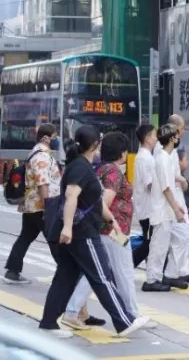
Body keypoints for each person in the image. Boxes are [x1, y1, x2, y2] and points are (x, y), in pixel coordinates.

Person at [38, 127, 150, 339]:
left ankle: (49, 322)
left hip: (79, 231)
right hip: (82, 233)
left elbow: (95, 201)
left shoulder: (85, 166)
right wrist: (68, 227)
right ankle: (124, 322)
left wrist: (112, 221)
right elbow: (71, 196)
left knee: (65, 277)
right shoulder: (81, 167)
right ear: (95, 145)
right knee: (102, 277)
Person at [4, 123, 61, 284]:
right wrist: (48, 207)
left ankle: (12, 271)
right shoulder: (41, 156)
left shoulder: (37, 152)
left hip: (32, 205)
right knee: (54, 239)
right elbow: (43, 183)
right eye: (55, 137)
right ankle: (67, 272)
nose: (57, 140)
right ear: (46, 138)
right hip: (40, 206)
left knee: (26, 237)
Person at [143, 124, 188, 292]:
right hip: (161, 210)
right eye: (176, 136)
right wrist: (176, 208)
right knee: (158, 246)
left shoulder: (166, 158)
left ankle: (158, 277)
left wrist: (176, 206)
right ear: (171, 139)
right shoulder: (162, 159)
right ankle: (152, 279)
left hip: (165, 210)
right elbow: (166, 188)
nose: (178, 138)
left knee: (163, 245)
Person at [163, 115, 189, 286]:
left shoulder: (172, 149)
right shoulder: (165, 151)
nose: (184, 131)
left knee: (183, 235)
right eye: (183, 127)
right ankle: (172, 273)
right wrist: (181, 180)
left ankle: (180, 270)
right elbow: (167, 177)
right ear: (175, 128)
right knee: (181, 235)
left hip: (176, 197)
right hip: (171, 200)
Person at [130, 124, 157, 268]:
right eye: (154, 135)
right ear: (147, 138)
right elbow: (150, 184)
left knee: (152, 242)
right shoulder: (145, 158)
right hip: (147, 209)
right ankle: (129, 265)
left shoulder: (144, 156)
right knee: (149, 243)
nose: (156, 138)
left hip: (146, 208)